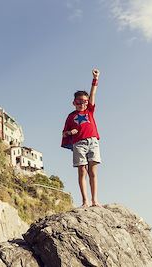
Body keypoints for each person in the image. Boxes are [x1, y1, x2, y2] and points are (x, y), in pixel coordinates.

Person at [61, 69, 101, 208]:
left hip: (93, 142)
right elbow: (64, 134)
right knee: (82, 171)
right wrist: (70, 132)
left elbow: (93, 93)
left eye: (84, 101)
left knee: (93, 172)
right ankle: (85, 201)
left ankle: (95, 200)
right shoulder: (70, 116)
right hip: (79, 144)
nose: (82, 104)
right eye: (79, 101)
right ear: (74, 102)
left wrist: (95, 79)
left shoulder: (89, 110)